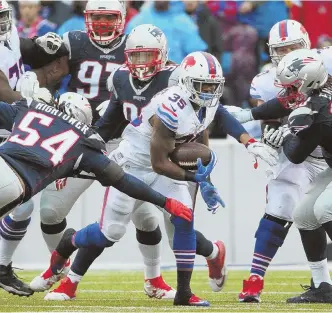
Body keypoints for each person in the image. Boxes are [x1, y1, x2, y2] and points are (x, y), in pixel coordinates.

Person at [41, 51, 279, 307]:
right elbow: (159, 163)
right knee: (109, 233)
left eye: (214, 85)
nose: (210, 91)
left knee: (184, 216)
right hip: (134, 165)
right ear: (187, 84)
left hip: (165, 165)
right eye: (204, 85)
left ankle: (184, 293)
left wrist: (249, 142)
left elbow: (220, 116)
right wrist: (194, 177)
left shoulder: (206, 101)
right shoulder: (170, 107)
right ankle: (70, 241)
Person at [0, 94, 191, 232]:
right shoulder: (85, 142)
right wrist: (165, 201)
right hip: (14, 183)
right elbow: (123, 181)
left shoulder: (30, 107)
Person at [229, 47, 332, 303]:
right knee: (304, 216)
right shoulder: (313, 94)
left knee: (324, 210)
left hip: (324, 162)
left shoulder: (315, 110)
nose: (286, 92)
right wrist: (248, 114)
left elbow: (297, 154)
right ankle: (323, 287)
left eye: (292, 87)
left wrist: (284, 135)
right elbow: (284, 103)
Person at [0, 0, 68, 296]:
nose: (1, 23)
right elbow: (2, 89)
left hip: (7, 127)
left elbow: (22, 48)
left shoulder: (8, 35)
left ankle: (1, 267)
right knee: (16, 196)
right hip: (3, 122)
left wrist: (45, 45)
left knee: (21, 198)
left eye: (2, 16)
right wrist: (36, 102)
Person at [125, 0, 207, 63]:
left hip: (177, 77)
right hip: (145, 75)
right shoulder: (139, 20)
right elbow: (127, 51)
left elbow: (197, 55)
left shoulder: (184, 22)